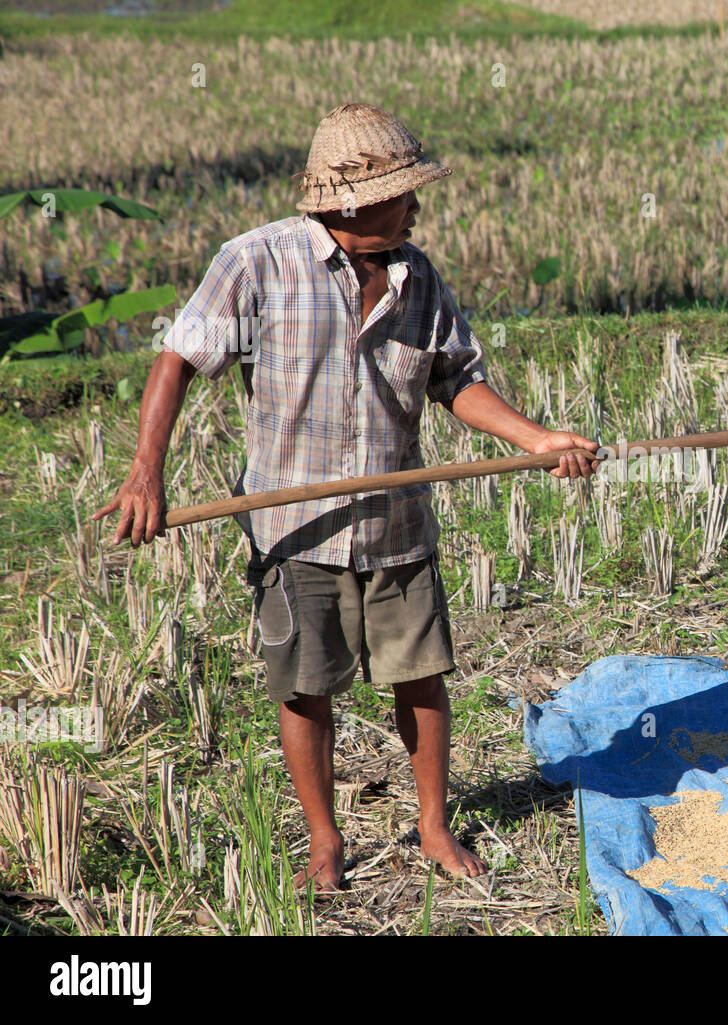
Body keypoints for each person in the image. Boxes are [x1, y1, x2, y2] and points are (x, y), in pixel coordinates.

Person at [93, 102, 598, 890]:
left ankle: (433, 824)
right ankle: (324, 839)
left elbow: (455, 378)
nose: (417, 206)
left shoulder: (416, 275)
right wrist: (145, 472)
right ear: (353, 202)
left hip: (396, 526)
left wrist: (535, 439)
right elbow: (178, 359)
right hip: (295, 529)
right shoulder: (255, 263)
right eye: (403, 193)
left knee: (421, 674)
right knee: (306, 686)